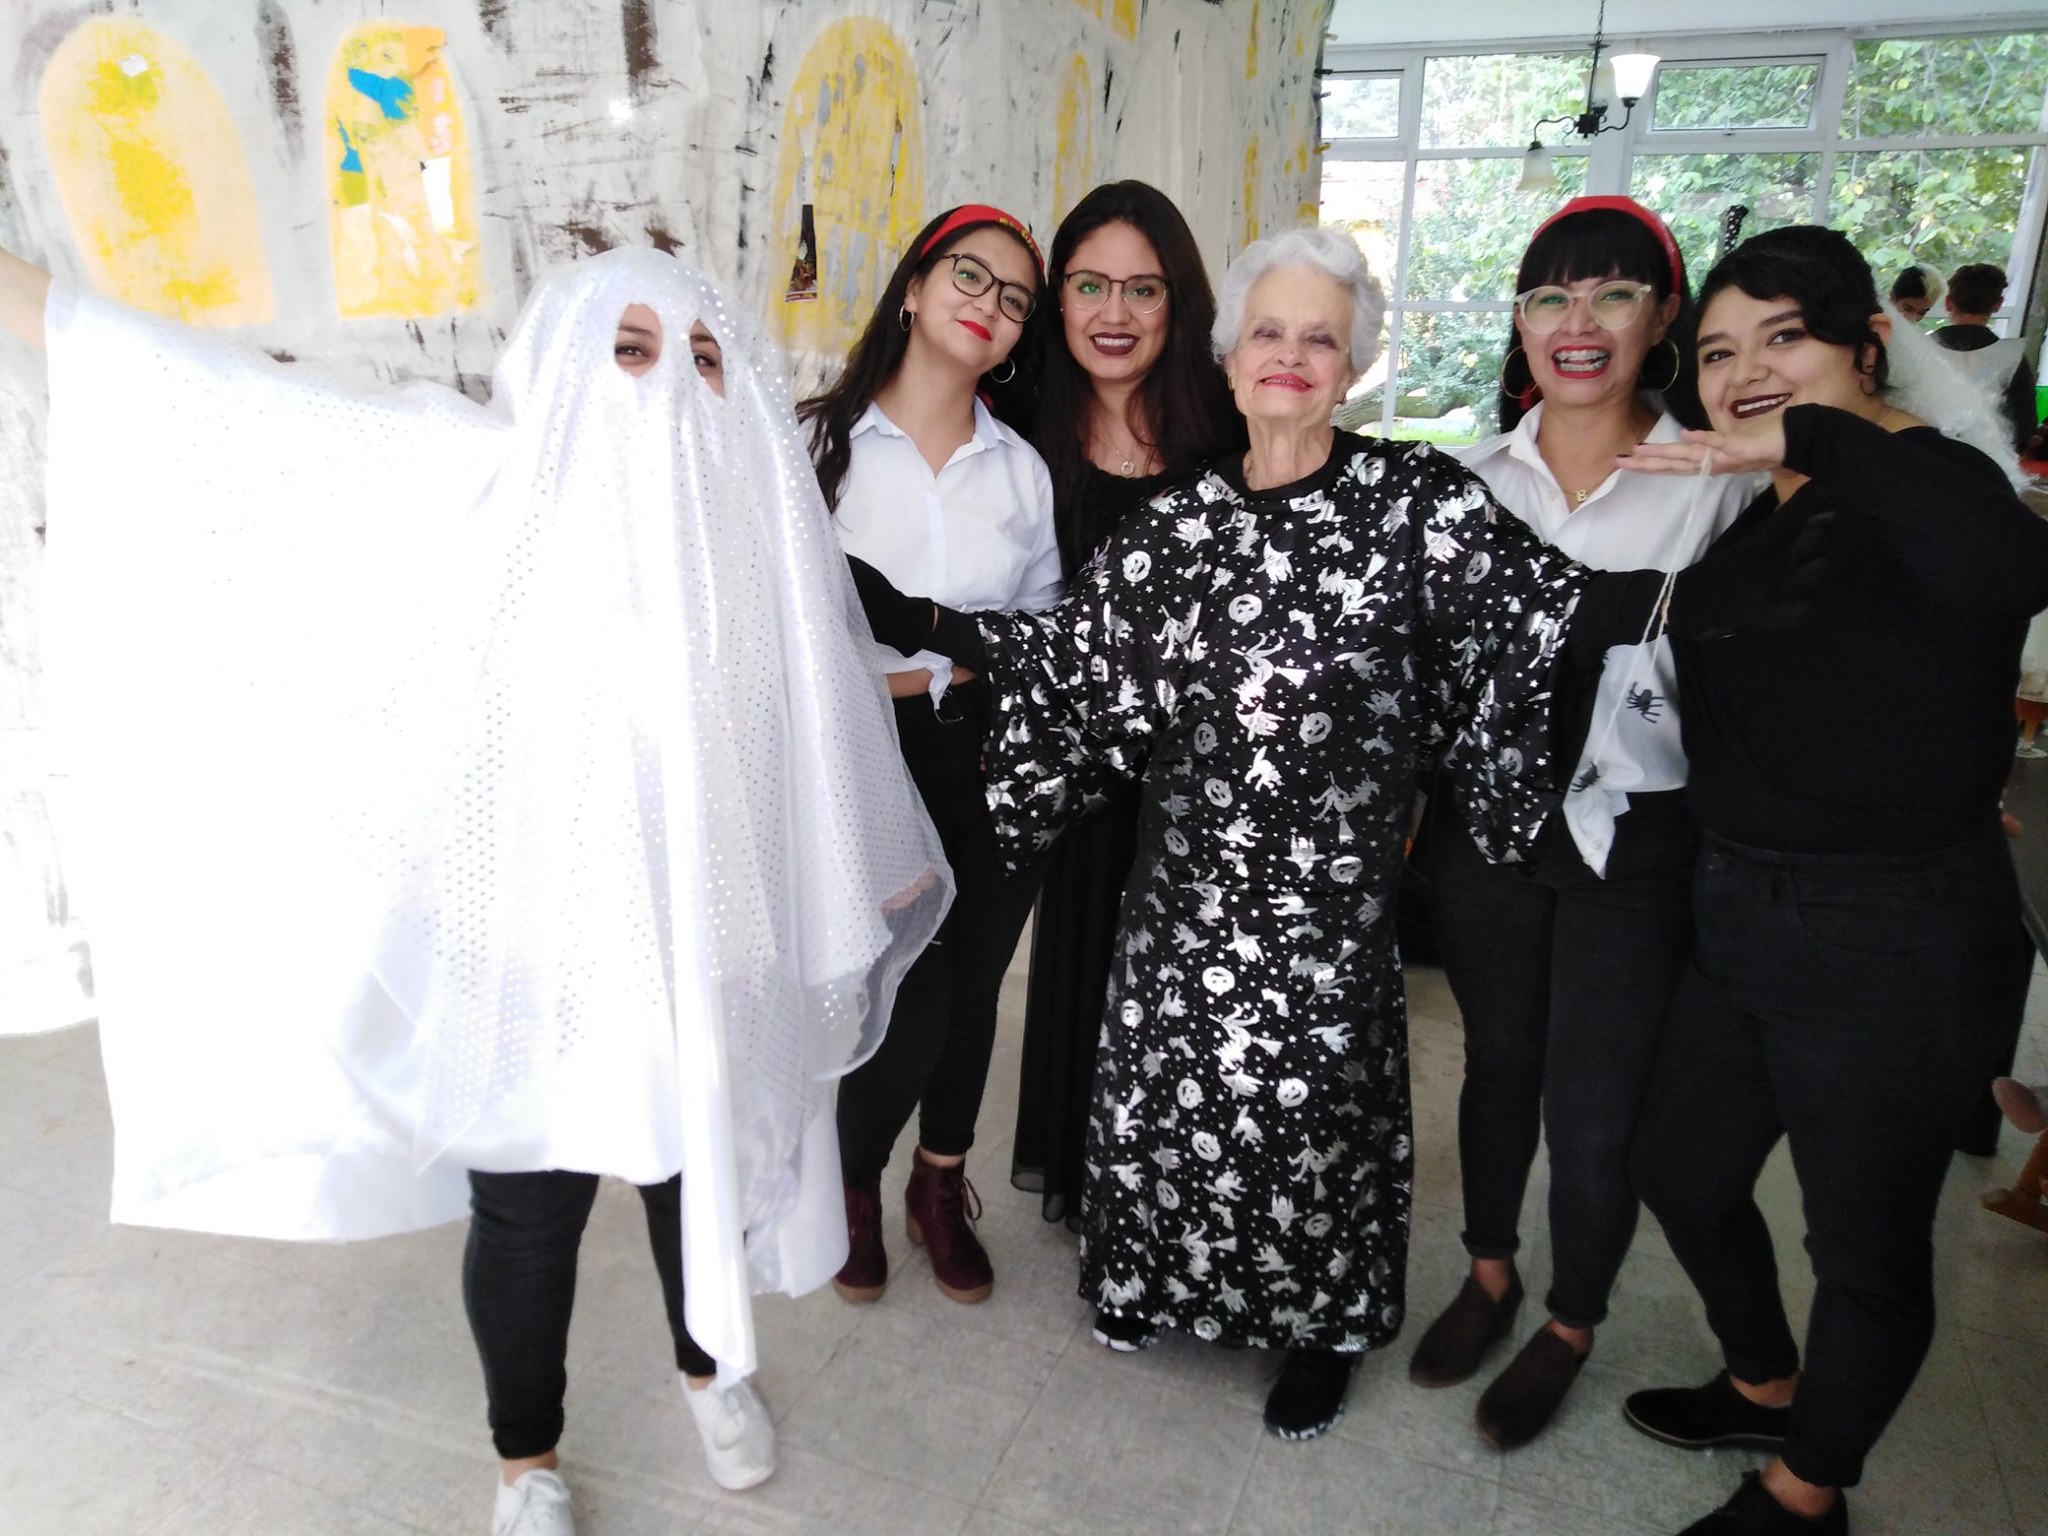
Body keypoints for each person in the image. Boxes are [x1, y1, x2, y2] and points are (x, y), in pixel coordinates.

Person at [0, 242, 950, 1536]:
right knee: (527, 1214)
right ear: (558, 364)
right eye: (627, 352)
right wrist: (40, 305)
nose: (668, 388)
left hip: (703, 945)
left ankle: (707, 1370)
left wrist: (853, 857)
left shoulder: (749, 532)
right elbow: (241, 416)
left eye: (702, 358)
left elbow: (811, 712)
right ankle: (525, 1460)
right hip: (525, 954)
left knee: (693, 1173)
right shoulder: (477, 487)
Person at [846, 224, 1820, 1441]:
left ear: (1352, 365)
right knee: (1173, 1095)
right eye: (1267, 332)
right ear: (1228, 357)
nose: (1290, 355)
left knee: (1311, 1122)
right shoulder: (1177, 524)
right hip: (1186, 893)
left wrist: (1783, 546)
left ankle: (1317, 1330)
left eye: (1319, 338)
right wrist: (913, 615)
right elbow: (1074, 658)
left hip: (1327, 905)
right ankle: (1153, 1282)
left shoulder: (1416, 503)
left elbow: (1558, 614)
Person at [1618, 226, 2048, 1536]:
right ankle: (1764, 1382)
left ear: (1866, 346)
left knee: (1861, 1248)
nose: (1745, 372)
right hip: (1739, 909)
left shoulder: (1933, 479)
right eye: (1717, 353)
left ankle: (1806, 1493)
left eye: (1782, 338)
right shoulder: (1760, 513)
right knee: (1682, 1168)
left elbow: (2016, 569)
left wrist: (1808, 437)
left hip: (1891, 931)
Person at [1407, 196, 1757, 1450]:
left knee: (1597, 1103)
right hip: (1487, 829)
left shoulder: (1717, 483)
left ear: (1660, 319)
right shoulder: (1468, 478)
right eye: (1550, 296)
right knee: (1497, 1061)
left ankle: (1569, 1321)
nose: (1579, 322)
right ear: (1518, 322)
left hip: (1637, 840)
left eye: (1612, 294)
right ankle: (1488, 1272)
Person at [799, 203, 1059, 1307]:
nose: (989, 304)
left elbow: (1041, 629)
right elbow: (781, 628)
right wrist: (914, 676)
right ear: (912, 287)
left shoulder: (1021, 471)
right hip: (867, 751)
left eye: (1015, 299)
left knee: (977, 981)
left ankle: (938, 1185)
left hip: (990, 752)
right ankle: (852, 1184)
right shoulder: (817, 444)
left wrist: (970, 670)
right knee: (909, 990)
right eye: (968, 275)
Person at [1011, 180, 1243, 1239]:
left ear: (1177, 300)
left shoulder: (1228, 429)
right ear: (1057, 298)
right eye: (1089, 286)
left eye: (1142, 289)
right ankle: (1091, 1175)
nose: (1114, 313)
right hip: (1081, 763)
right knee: (1087, 966)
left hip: (1206, 768)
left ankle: (1179, 1186)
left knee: (1193, 991)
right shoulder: (1021, 429)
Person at [1931, 262, 2041, 452]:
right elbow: (2024, 426)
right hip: (1989, 458)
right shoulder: (2012, 358)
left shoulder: (1920, 348)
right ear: (1998, 305)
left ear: (1948, 302)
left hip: (1927, 451)